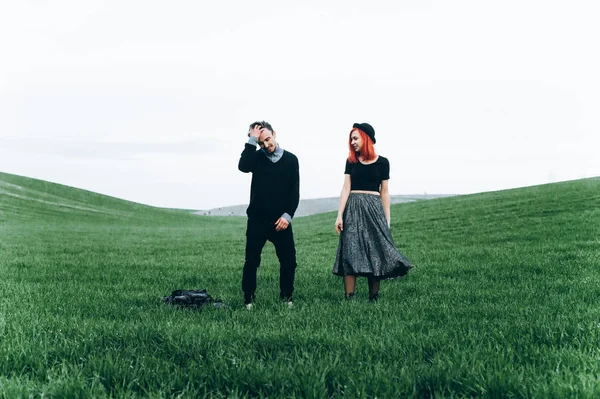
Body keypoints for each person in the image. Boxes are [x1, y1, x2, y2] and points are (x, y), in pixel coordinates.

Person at [333, 122, 413, 301]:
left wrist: (387, 220)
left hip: (374, 209)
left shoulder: (383, 162)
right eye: (350, 139)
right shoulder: (351, 161)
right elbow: (346, 188)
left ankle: (373, 297)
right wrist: (339, 215)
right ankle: (349, 298)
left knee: (375, 251)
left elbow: (384, 192)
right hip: (353, 208)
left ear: (366, 138)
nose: (352, 142)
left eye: (355, 138)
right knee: (350, 251)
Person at [238, 121, 300, 310]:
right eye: (261, 142)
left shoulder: (291, 160)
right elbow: (243, 166)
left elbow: (294, 192)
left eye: (267, 139)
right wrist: (252, 140)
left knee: (289, 261)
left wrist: (287, 216)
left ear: (274, 134)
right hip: (257, 220)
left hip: (281, 221)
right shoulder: (256, 158)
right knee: (251, 261)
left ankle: (287, 297)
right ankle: (248, 299)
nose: (266, 145)